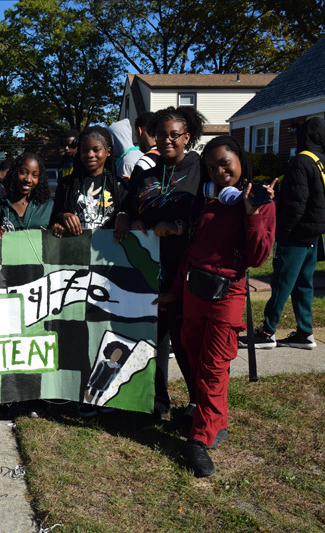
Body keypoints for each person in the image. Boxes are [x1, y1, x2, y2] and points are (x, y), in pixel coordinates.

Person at [154, 136, 276, 477]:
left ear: (240, 160)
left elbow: (258, 256)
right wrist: (175, 292)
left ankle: (200, 439)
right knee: (193, 358)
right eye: (212, 168)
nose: (221, 172)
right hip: (194, 292)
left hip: (227, 296)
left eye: (226, 163)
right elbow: (192, 254)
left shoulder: (258, 202)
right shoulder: (208, 202)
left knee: (213, 367)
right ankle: (213, 421)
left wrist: (252, 214)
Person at [114, 105, 206, 423]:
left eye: (174, 135)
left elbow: (210, 215)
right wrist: (128, 216)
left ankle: (198, 403)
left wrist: (180, 227)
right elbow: (128, 203)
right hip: (150, 267)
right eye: (161, 134)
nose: (167, 140)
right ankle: (158, 399)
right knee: (154, 336)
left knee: (184, 339)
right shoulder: (146, 168)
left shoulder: (199, 167)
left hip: (186, 268)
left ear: (187, 137)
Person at [240, 117, 325, 350]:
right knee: (304, 284)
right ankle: (305, 333)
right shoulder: (323, 162)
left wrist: (279, 232)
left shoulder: (299, 162)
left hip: (295, 234)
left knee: (282, 283)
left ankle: (266, 333)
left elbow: (296, 204)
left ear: (306, 136)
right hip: (315, 234)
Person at [52, 126, 127, 237]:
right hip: (76, 249)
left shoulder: (119, 186)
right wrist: (63, 217)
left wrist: (125, 216)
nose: (90, 155)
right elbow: (53, 217)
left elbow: (131, 215)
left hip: (109, 251)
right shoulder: (67, 184)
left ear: (108, 151)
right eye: (84, 150)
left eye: (96, 150)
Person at [0, 153, 53, 239]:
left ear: (40, 179)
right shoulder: (0, 206)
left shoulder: (48, 206)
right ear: (14, 174)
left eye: (34, 175)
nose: (28, 179)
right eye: (23, 172)